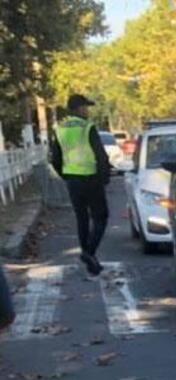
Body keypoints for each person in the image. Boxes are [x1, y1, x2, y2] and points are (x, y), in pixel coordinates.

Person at [49, 94, 109, 275]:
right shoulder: (87, 127)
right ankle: (89, 252)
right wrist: (105, 176)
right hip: (91, 178)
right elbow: (100, 154)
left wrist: (65, 174)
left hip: (72, 180)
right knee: (101, 217)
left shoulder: (59, 129)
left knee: (82, 218)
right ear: (78, 109)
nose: (87, 111)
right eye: (85, 107)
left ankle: (89, 259)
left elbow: (55, 158)